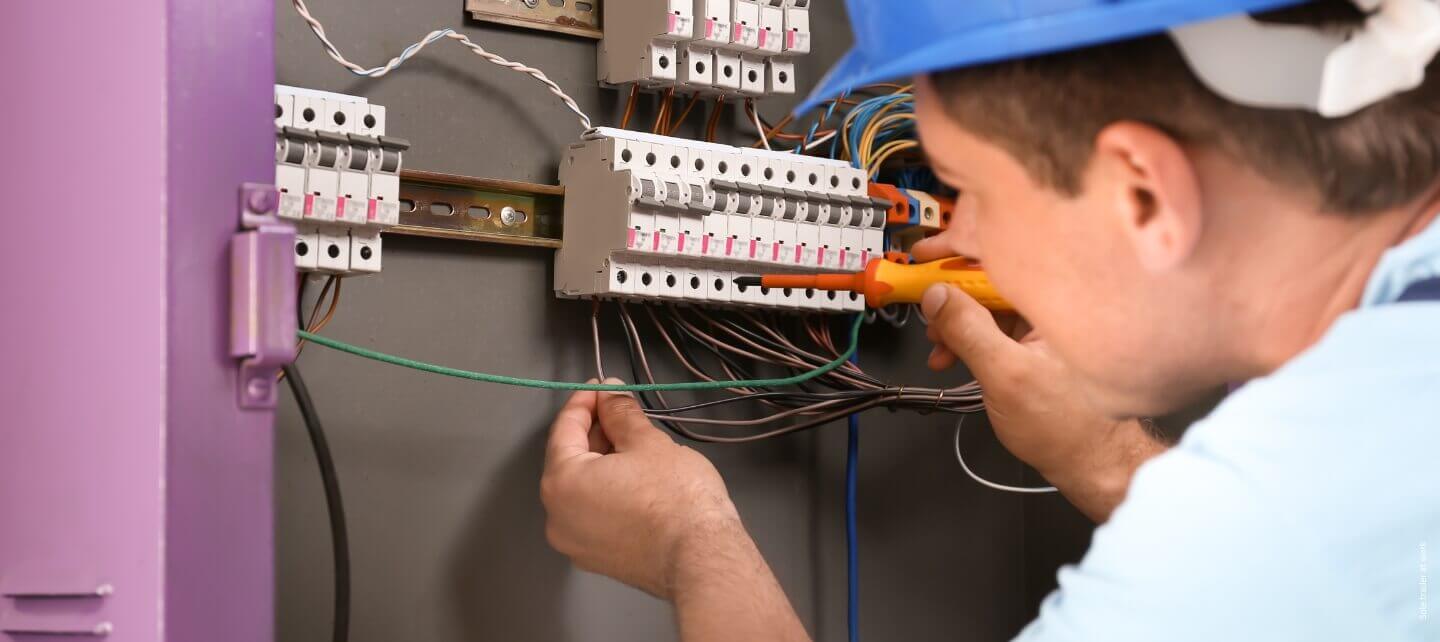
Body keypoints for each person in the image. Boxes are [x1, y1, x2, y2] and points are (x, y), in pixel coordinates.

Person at [540, 0, 1440, 639]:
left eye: (965, 189)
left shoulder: (1258, 534)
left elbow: (1278, 560)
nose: (950, 232)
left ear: (1142, 193)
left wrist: (695, 547)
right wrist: (1104, 456)